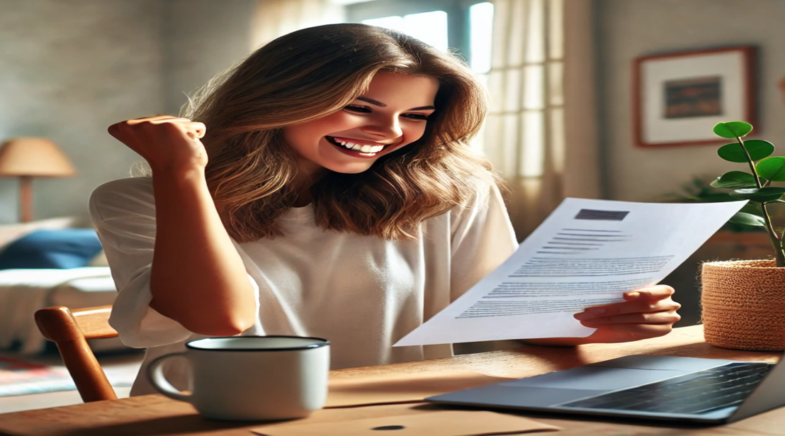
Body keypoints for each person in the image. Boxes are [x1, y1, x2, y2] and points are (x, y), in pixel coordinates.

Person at [90, 23, 681, 396]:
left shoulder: (450, 193)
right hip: (208, 421)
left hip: (393, 416)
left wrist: (593, 324)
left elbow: (501, 323)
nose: (391, 133)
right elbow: (219, 318)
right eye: (358, 108)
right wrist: (183, 172)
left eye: (417, 116)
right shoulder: (137, 201)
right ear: (281, 100)